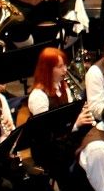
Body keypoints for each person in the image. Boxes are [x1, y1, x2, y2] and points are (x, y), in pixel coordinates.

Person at [24, 48, 93, 182]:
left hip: (66, 141)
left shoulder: (64, 87)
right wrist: (75, 124)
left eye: (65, 65)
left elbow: (70, 115)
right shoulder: (38, 96)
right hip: (49, 149)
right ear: (48, 69)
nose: (65, 70)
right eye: (60, 66)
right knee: (81, 165)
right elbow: (44, 132)